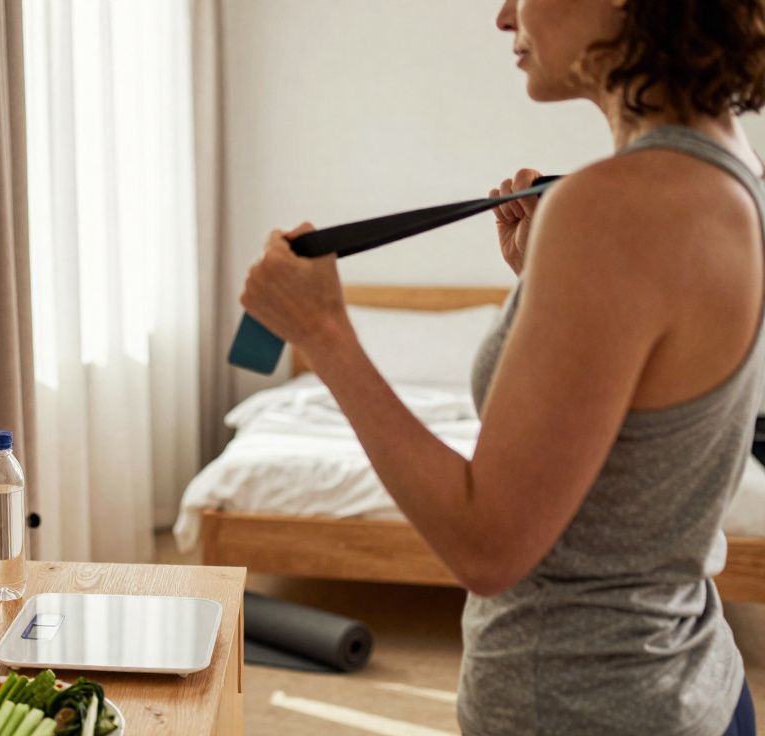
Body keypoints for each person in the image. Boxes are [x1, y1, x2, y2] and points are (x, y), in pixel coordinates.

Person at [240, 1, 763, 733]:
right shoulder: (726, 169)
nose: (502, 14)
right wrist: (542, 292)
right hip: (696, 687)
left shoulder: (614, 207)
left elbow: (487, 547)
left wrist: (323, 334)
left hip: (582, 706)